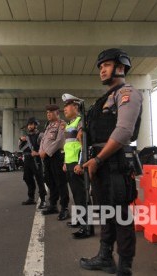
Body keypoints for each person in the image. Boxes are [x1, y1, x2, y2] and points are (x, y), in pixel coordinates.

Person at [79, 48, 143, 276]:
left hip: (114, 163)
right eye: (100, 67)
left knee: (121, 215)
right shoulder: (103, 100)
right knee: (105, 211)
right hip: (101, 163)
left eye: (106, 65)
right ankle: (105, 257)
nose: (101, 70)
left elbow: (124, 131)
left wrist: (98, 158)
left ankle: (125, 267)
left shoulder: (127, 93)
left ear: (121, 67)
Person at [61, 95, 94, 239]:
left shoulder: (81, 122)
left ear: (75, 107)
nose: (64, 109)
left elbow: (83, 145)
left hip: (77, 163)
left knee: (82, 195)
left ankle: (87, 226)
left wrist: (81, 163)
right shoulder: (70, 124)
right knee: (76, 194)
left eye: (67, 106)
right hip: (69, 163)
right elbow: (68, 145)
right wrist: (64, 162)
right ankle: (79, 220)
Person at [39, 104, 70, 220]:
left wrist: (46, 152)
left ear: (57, 113)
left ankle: (64, 208)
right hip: (47, 158)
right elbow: (43, 141)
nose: (48, 114)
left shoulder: (61, 125)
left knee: (60, 182)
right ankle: (53, 205)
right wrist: (41, 151)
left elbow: (59, 141)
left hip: (56, 156)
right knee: (50, 181)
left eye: (51, 112)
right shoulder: (48, 125)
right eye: (47, 112)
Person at [18, 117, 47, 209]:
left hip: (36, 160)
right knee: (27, 178)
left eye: (31, 124)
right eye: (29, 125)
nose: (29, 126)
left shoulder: (40, 135)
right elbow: (20, 148)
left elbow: (45, 147)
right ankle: (31, 198)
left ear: (35, 125)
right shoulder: (25, 137)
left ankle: (43, 200)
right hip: (27, 160)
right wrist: (21, 140)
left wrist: (38, 153)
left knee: (40, 179)